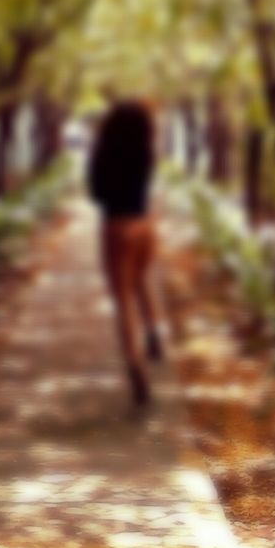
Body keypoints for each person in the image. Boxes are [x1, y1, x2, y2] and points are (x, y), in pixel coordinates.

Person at [87, 99, 164, 407]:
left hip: (116, 227)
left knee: (123, 300)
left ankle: (135, 365)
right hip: (145, 226)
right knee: (142, 279)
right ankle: (155, 332)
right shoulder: (146, 151)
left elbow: (95, 193)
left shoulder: (104, 153)